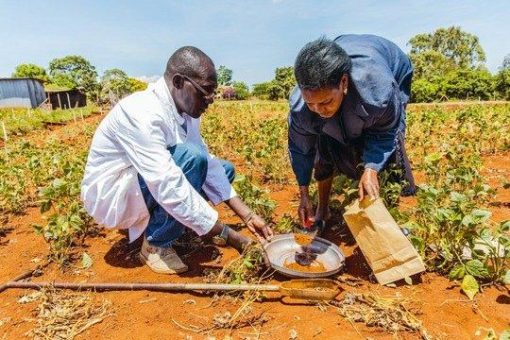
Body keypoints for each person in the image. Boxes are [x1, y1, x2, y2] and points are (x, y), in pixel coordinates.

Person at [81, 46, 273, 274]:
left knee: (223, 169)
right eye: (206, 90)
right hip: (115, 195)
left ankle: (180, 222)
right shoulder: (142, 112)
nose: (211, 99)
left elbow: (209, 166)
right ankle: (156, 244)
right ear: (179, 82)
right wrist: (233, 237)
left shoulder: (185, 110)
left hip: (147, 182)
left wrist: (248, 215)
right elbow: (167, 183)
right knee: (192, 159)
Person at [288, 34, 416, 230]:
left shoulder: (379, 92)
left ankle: (389, 216)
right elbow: (301, 149)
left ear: (344, 83)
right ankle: (323, 210)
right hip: (350, 58)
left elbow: (386, 131)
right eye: (311, 103)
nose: (319, 109)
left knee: (389, 149)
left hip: (392, 66)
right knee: (324, 138)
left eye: (326, 102)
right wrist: (304, 193)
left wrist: (372, 167)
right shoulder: (301, 107)